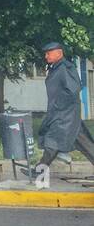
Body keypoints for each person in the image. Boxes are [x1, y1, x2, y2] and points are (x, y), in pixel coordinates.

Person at [33, 41, 94, 181]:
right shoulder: (56, 68)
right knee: (85, 143)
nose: (46, 56)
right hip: (64, 113)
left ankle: (39, 170)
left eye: (49, 53)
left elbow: (74, 89)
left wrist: (59, 107)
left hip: (64, 114)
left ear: (59, 53)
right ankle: (40, 170)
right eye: (45, 53)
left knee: (53, 140)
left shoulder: (65, 68)